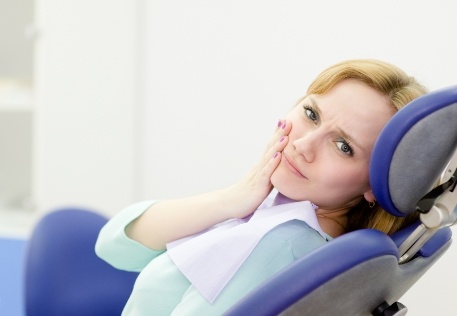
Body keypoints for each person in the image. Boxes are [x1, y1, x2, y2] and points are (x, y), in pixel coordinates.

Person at [95, 59, 427, 315]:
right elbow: (114, 245)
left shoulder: (282, 244)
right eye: (311, 113)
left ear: (375, 185)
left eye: (343, 146)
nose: (304, 145)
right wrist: (235, 197)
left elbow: (114, 250)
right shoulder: (285, 212)